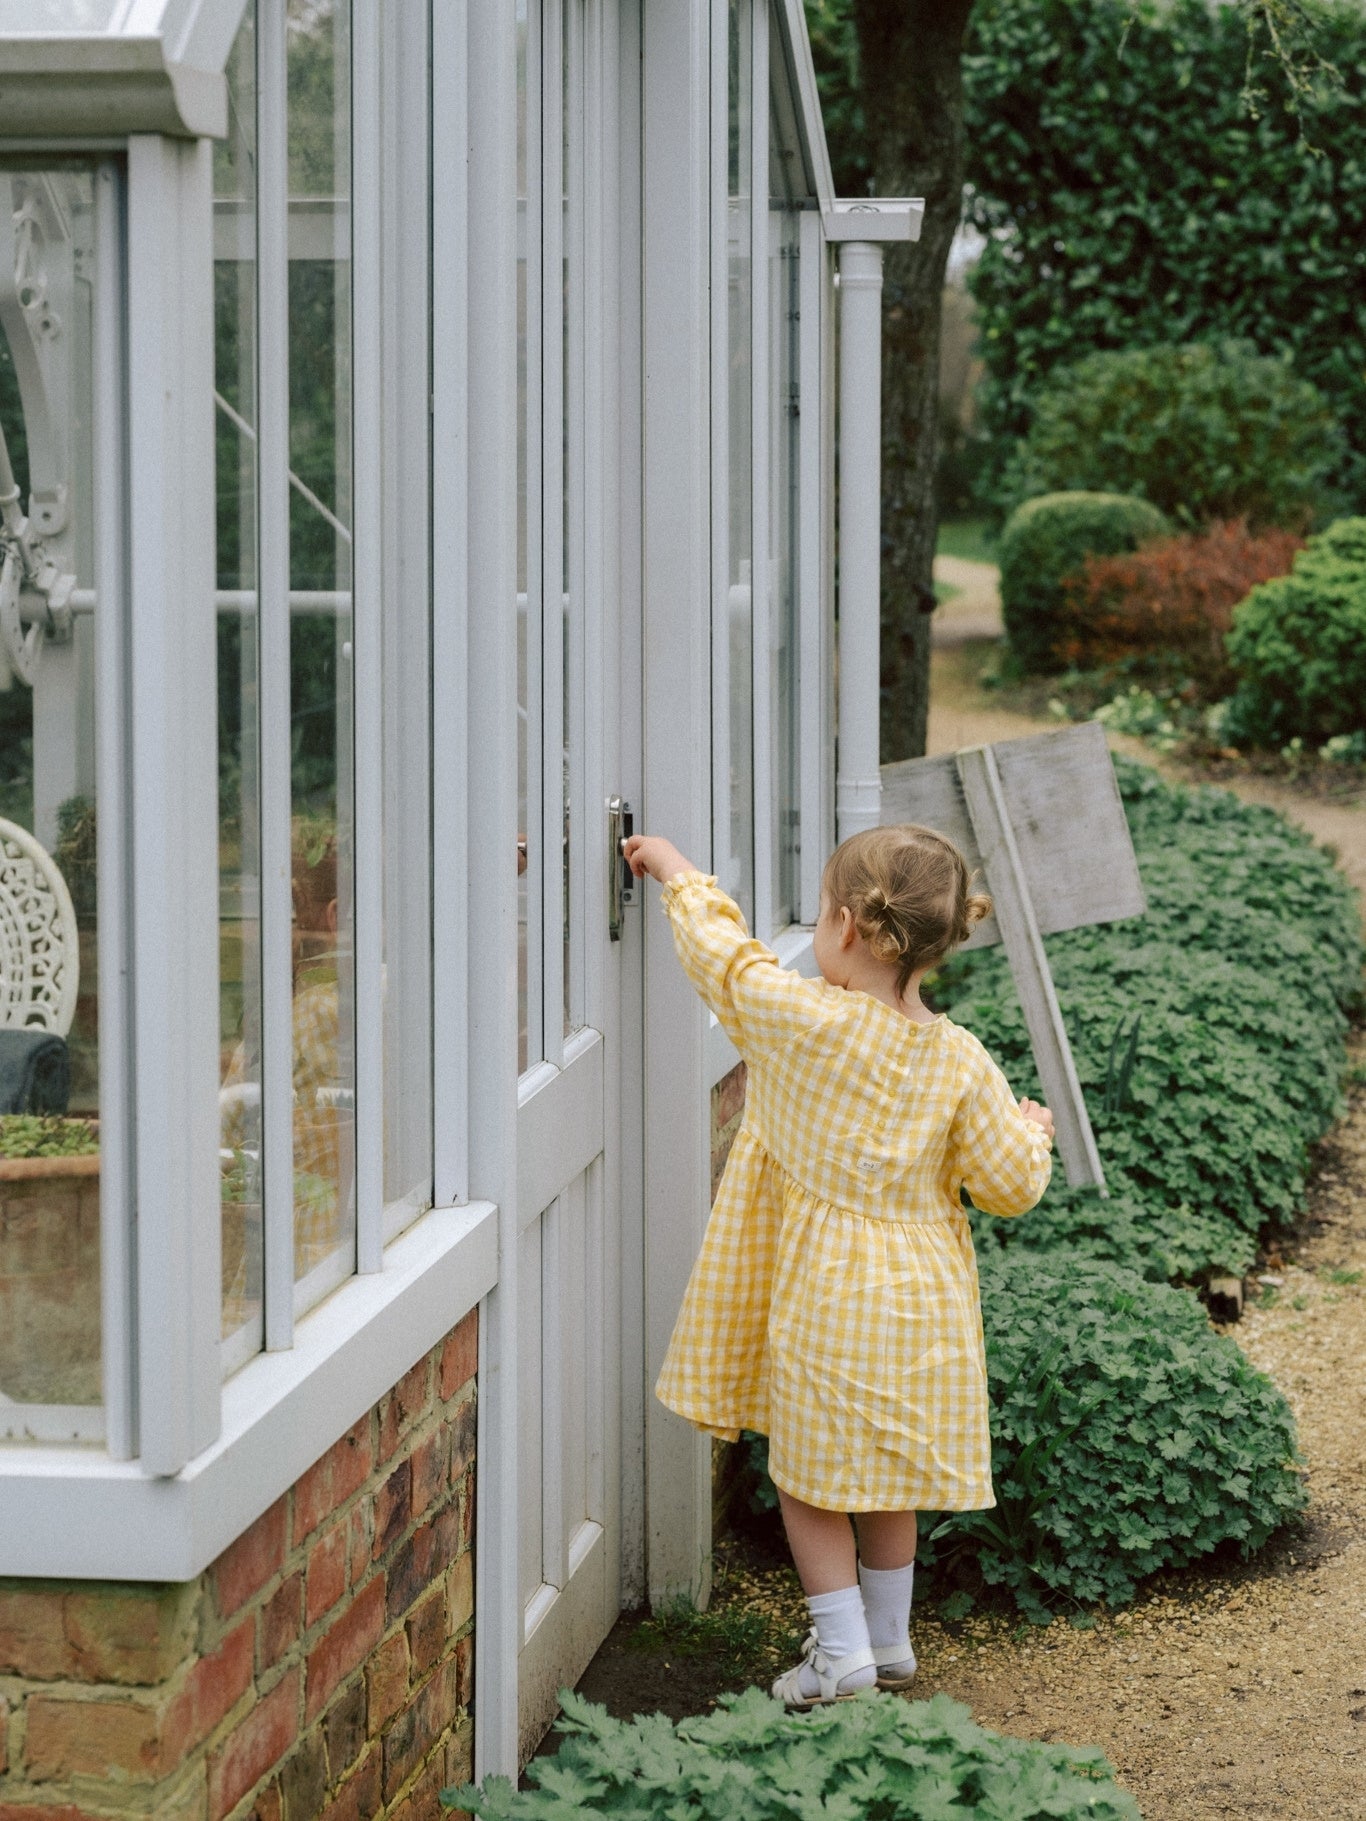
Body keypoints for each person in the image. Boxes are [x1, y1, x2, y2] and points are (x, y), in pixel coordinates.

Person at [623, 824, 1055, 1709]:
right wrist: (1035, 1133)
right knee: (883, 1466)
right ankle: (890, 1639)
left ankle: (840, 1650)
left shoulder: (800, 1019)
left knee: (810, 1475)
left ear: (849, 926)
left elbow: (724, 959)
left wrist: (674, 871)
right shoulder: (961, 1059)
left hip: (826, 1294)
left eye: (821, 913)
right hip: (921, 1303)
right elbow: (1009, 1185)